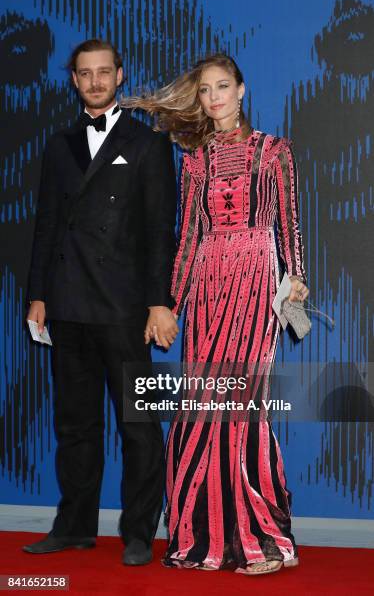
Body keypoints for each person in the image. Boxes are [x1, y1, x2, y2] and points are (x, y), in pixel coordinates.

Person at [123, 53, 309, 575]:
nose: (214, 98)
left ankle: (265, 539)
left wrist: (294, 276)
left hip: (255, 280)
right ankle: (206, 536)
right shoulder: (194, 159)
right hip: (206, 284)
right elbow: (186, 240)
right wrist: (169, 304)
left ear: (242, 89)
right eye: (205, 90)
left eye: (223, 86)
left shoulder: (275, 151)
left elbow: (289, 223)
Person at [23, 39, 179, 565]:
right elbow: (46, 226)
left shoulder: (147, 143)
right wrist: (38, 295)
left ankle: (139, 531)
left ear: (119, 75)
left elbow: (161, 232)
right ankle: (73, 527)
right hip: (67, 303)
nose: (94, 81)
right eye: (85, 74)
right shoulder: (59, 144)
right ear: (73, 80)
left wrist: (160, 302)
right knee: (74, 425)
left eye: (103, 72)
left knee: (139, 424)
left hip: (125, 306)